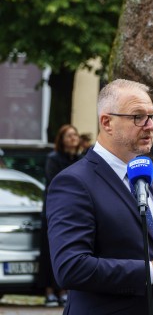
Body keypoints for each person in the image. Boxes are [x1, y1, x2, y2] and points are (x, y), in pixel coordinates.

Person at [46, 79, 153, 315]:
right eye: (138, 117)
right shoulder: (75, 183)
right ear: (107, 122)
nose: (150, 126)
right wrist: (150, 270)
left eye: (152, 116)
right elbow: (70, 267)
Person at [39, 124, 82, 307]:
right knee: (49, 252)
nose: (73, 138)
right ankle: (49, 291)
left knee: (68, 250)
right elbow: (56, 184)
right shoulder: (53, 158)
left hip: (75, 213)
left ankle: (64, 290)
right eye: (69, 135)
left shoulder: (81, 159)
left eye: (75, 135)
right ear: (62, 140)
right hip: (54, 213)